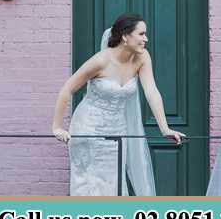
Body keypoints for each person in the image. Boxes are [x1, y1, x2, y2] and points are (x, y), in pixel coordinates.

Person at [52, 13, 184, 195]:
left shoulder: (142, 57)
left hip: (117, 129)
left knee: (114, 182)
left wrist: (165, 128)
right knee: (90, 185)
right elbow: (66, 90)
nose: (146, 39)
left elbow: (152, 92)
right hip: (89, 128)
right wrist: (57, 127)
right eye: (141, 34)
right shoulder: (100, 61)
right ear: (125, 36)